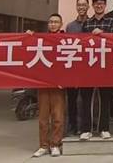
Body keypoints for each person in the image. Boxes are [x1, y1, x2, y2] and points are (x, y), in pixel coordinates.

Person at [80, 0, 113, 141]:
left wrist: (103, 34)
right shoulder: (87, 23)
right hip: (89, 66)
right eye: (96, 3)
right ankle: (86, 129)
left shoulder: (111, 22)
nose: (99, 6)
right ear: (93, 5)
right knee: (87, 99)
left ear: (105, 5)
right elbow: (82, 43)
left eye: (101, 3)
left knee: (105, 99)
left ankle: (104, 128)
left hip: (106, 66)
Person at [30, 14, 66, 158]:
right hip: (43, 83)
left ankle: (55, 144)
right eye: (50, 22)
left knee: (58, 116)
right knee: (43, 117)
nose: (53, 24)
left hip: (58, 84)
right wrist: (29, 36)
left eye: (56, 22)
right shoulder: (41, 39)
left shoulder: (66, 40)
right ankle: (43, 145)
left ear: (61, 24)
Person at [64, 0, 89, 136]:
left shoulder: (92, 24)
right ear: (76, 7)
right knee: (72, 99)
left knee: (85, 100)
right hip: (73, 68)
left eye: (84, 5)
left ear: (88, 7)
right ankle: (72, 125)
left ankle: (84, 126)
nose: (81, 7)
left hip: (87, 68)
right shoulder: (70, 26)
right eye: (79, 5)